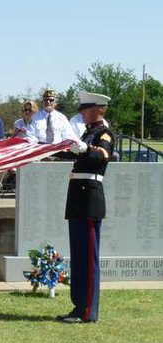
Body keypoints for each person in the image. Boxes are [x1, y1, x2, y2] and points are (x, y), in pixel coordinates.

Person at [57, 91, 113, 324]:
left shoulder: (105, 133)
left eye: (87, 108)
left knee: (89, 258)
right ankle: (79, 306)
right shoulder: (88, 132)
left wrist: (84, 149)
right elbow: (69, 151)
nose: (83, 112)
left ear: (100, 109)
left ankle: (89, 311)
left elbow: (102, 155)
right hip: (79, 199)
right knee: (79, 257)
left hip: (90, 199)